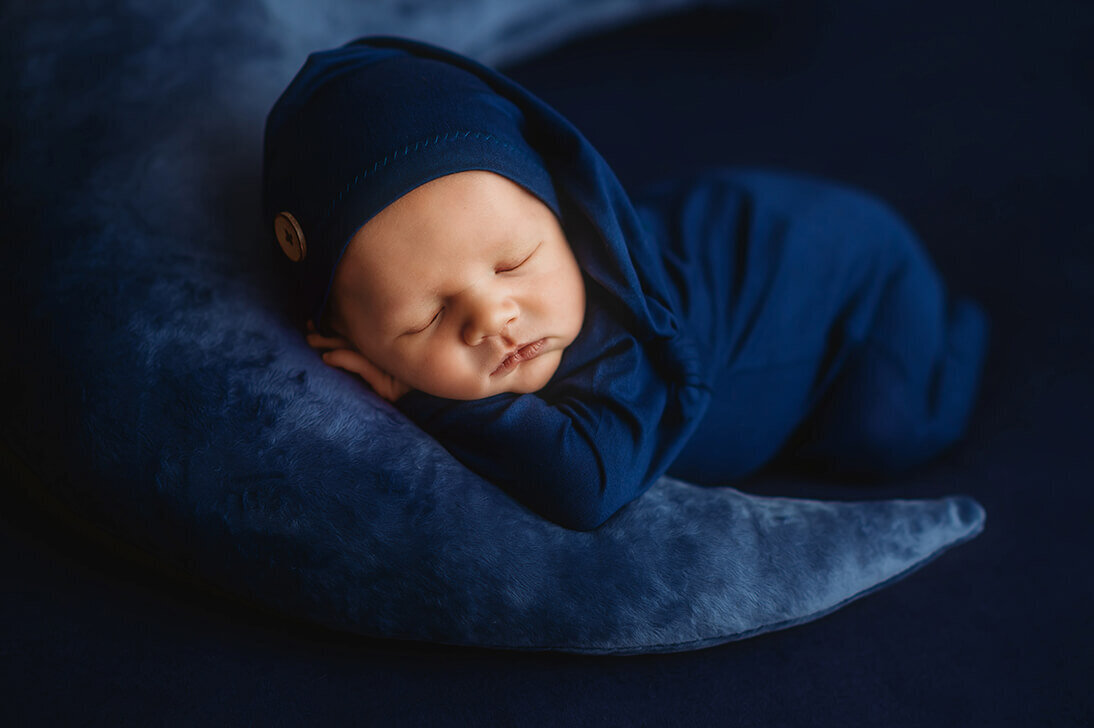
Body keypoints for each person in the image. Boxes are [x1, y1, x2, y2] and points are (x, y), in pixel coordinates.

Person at [262, 37, 989, 530]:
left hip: (850, 280)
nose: (494, 318)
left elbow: (581, 488)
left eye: (514, 261)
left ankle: (962, 328)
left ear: (571, 215)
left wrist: (421, 395)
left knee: (888, 431)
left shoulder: (622, 342)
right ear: (356, 340)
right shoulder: (515, 299)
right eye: (423, 320)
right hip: (758, 232)